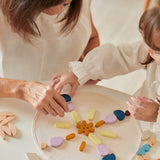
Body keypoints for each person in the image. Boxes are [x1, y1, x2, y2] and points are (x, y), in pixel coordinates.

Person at [52, 6, 160, 131]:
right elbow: (120, 57)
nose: (147, 49)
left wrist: (156, 114)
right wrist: (82, 71)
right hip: (138, 117)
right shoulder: (150, 49)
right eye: (146, 43)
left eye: (156, 50)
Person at [0, 0, 100, 117]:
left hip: (68, 104)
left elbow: (92, 38)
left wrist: (87, 67)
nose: (59, 10)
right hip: (16, 107)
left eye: (65, 4)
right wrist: (24, 89)